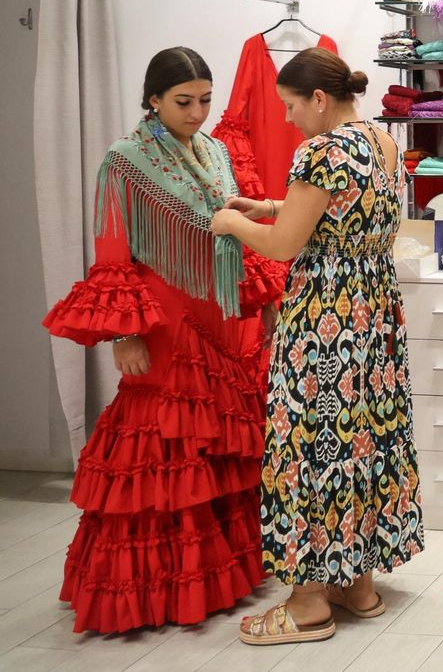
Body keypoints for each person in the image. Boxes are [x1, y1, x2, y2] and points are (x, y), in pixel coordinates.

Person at [42, 47, 286, 634]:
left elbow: (238, 233)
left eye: (205, 100)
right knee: (163, 440)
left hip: (221, 313)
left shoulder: (216, 151)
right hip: (165, 319)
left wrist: (263, 304)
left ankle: (224, 575)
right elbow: (112, 250)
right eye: (183, 102)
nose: (197, 113)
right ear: (153, 99)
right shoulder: (124, 160)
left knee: (220, 441)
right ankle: (156, 591)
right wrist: (125, 332)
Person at [212, 47, 423, 646]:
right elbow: (341, 212)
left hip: (324, 319)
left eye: (290, 106)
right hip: (373, 318)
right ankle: (356, 583)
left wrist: (234, 223)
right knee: (363, 440)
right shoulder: (382, 142)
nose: (288, 118)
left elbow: (283, 246)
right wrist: (270, 206)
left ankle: (307, 602)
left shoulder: (321, 150)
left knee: (308, 444)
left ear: (320, 100)